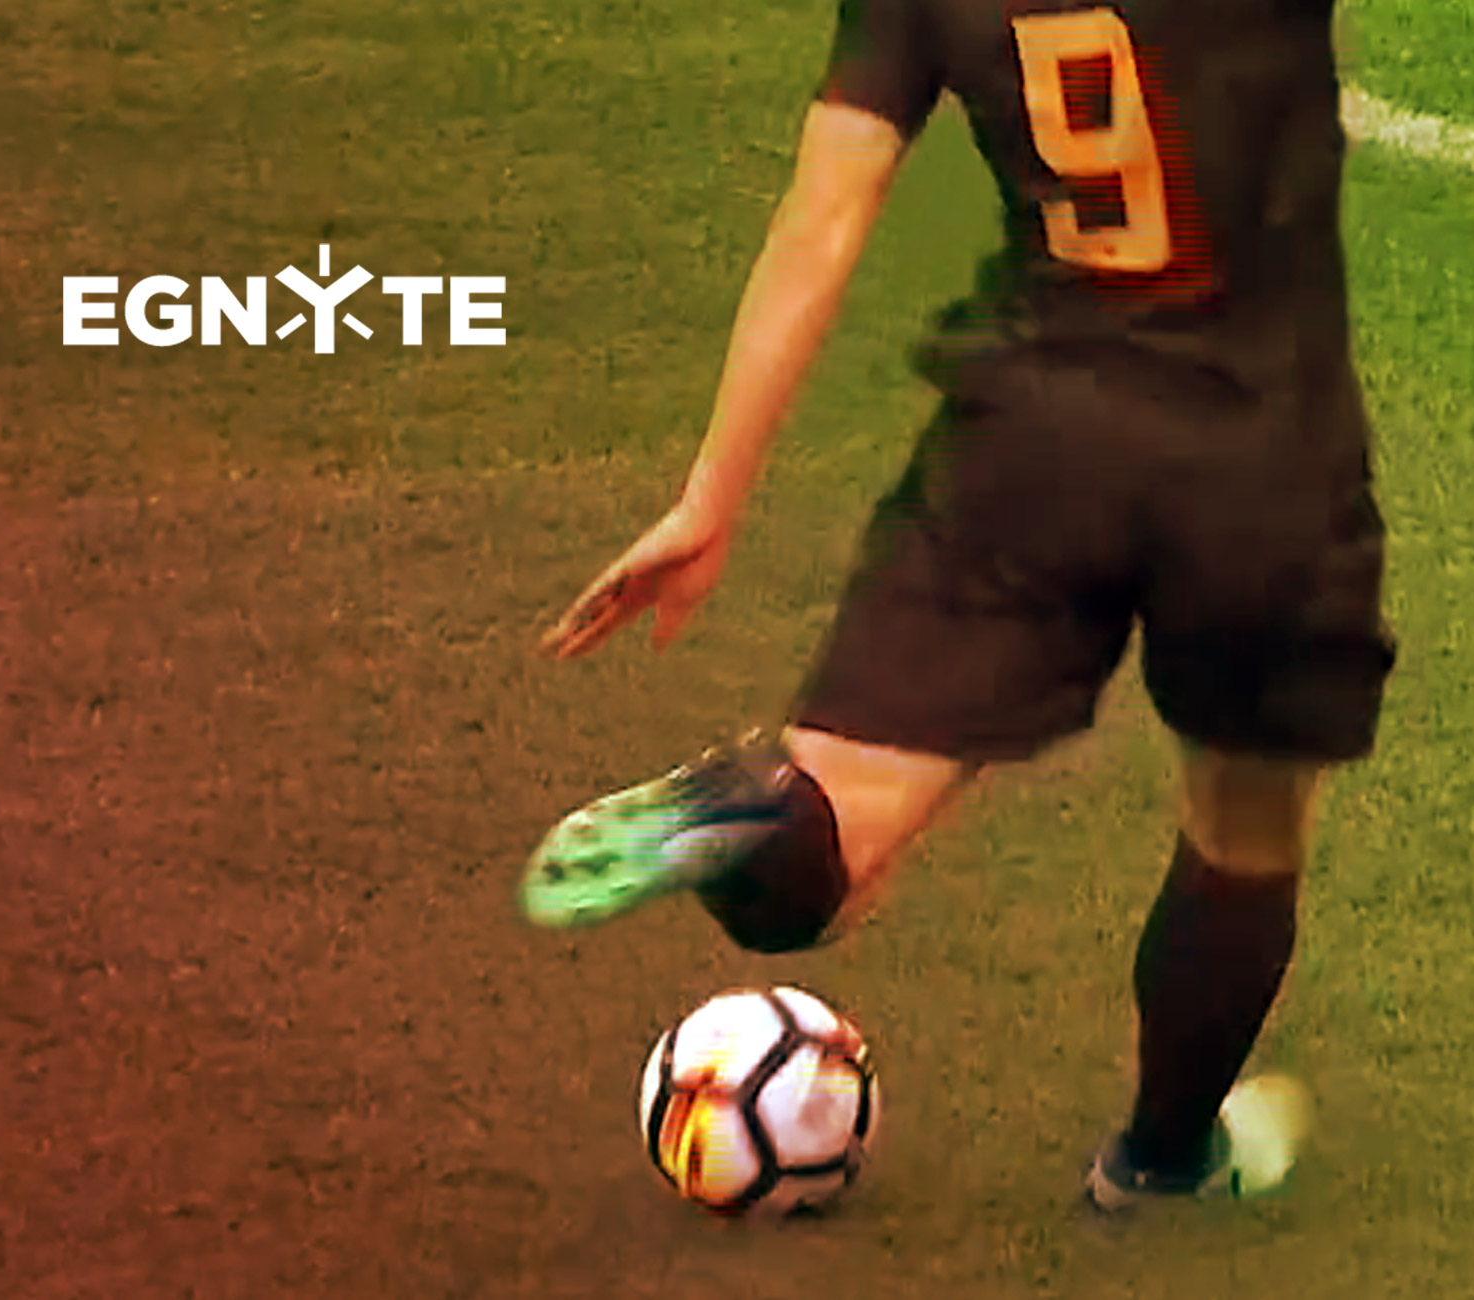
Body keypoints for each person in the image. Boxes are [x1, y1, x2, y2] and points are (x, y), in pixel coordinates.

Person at [522, 0, 1396, 1210]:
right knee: (1243, 827)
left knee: (836, 836)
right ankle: (1158, 1160)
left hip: (1036, 440)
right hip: (1259, 459)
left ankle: (751, 812)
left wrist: (706, 499)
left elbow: (822, 218)